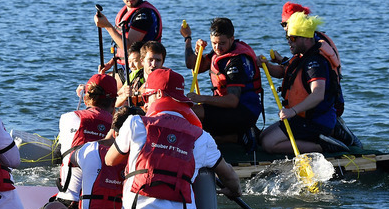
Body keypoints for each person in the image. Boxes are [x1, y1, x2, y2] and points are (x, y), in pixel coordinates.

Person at [79, 68, 242, 209]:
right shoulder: (202, 138)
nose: (145, 102)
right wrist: (234, 190)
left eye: (147, 96)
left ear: (157, 96)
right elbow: (229, 174)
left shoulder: (136, 124)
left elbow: (110, 160)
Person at [19, 73, 117, 209]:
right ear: (114, 101)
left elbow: (63, 149)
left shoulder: (68, 118)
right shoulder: (120, 128)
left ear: (87, 96)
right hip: (104, 205)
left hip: (68, 202)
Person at [47, 105, 143, 209]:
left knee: (52, 208)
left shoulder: (90, 149)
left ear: (114, 131)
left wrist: (105, 140)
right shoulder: (145, 159)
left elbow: (70, 160)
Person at [272, 2, 359, 148]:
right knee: (265, 138)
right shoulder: (304, 47)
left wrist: (293, 111)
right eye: (283, 25)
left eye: (288, 24)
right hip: (307, 110)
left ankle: (330, 142)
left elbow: (318, 88)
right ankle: (332, 133)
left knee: (270, 142)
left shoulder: (316, 53)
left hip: (319, 110)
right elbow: (295, 71)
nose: (286, 29)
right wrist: (275, 63)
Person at [260, 12, 344, 154]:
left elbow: (318, 94)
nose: (289, 42)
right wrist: (264, 65)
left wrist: (292, 111)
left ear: (305, 38)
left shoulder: (315, 62)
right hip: (301, 118)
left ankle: (324, 147)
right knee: (262, 137)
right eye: (287, 37)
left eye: (292, 38)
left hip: (316, 121)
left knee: (268, 144)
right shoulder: (302, 57)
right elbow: (285, 73)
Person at [183, 18, 263, 151]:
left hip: (243, 112)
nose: (217, 48)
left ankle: (242, 133)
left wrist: (201, 98)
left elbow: (232, 101)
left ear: (232, 39)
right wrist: (189, 39)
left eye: (222, 43)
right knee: (200, 131)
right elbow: (192, 64)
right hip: (227, 108)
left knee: (191, 112)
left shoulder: (236, 62)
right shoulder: (220, 52)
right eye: (214, 43)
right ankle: (237, 137)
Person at [94, 0, 162, 71]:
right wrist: (110, 63)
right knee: (96, 82)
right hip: (125, 65)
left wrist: (107, 26)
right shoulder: (126, 12)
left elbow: (128, 47)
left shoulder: (144, 15)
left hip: (141, 68)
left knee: (98, 84)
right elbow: (121, 46)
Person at [115, 40, 166, 108]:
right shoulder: (135, 76)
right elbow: (115, 103)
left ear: (162, 62)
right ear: (142, 61)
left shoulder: (168, 79)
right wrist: (124, 96)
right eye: (150, 60)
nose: (154, 64)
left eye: (158, 60)